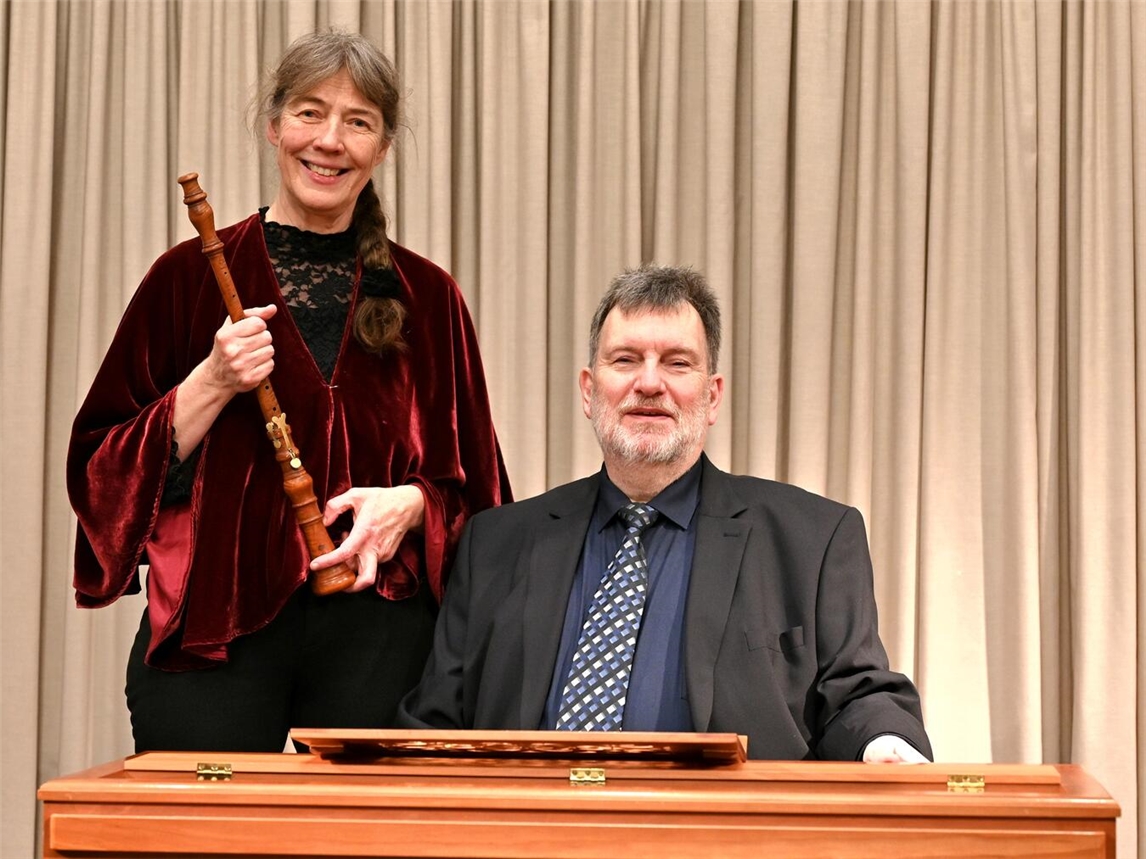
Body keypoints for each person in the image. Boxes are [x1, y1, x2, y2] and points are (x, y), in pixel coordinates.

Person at [67, 30, 510, 753]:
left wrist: (414, 504)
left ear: (383, 147)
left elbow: (485, 505)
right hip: (215, 627)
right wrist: (209, 383)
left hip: (383, 638)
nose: (330, 141)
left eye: (358, 121)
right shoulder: (185, 280)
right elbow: (100, 469)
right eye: (310, 113)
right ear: (273, 127)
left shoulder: (430, 298)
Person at [398, 265, 931, 762]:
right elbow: (435, 722)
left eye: (677, 363)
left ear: (713, 396)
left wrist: (884, 743)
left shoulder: (813, 539)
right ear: (589, 391)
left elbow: (858, 694)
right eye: (625, 359)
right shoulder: (496, 542)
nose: (649, 383)